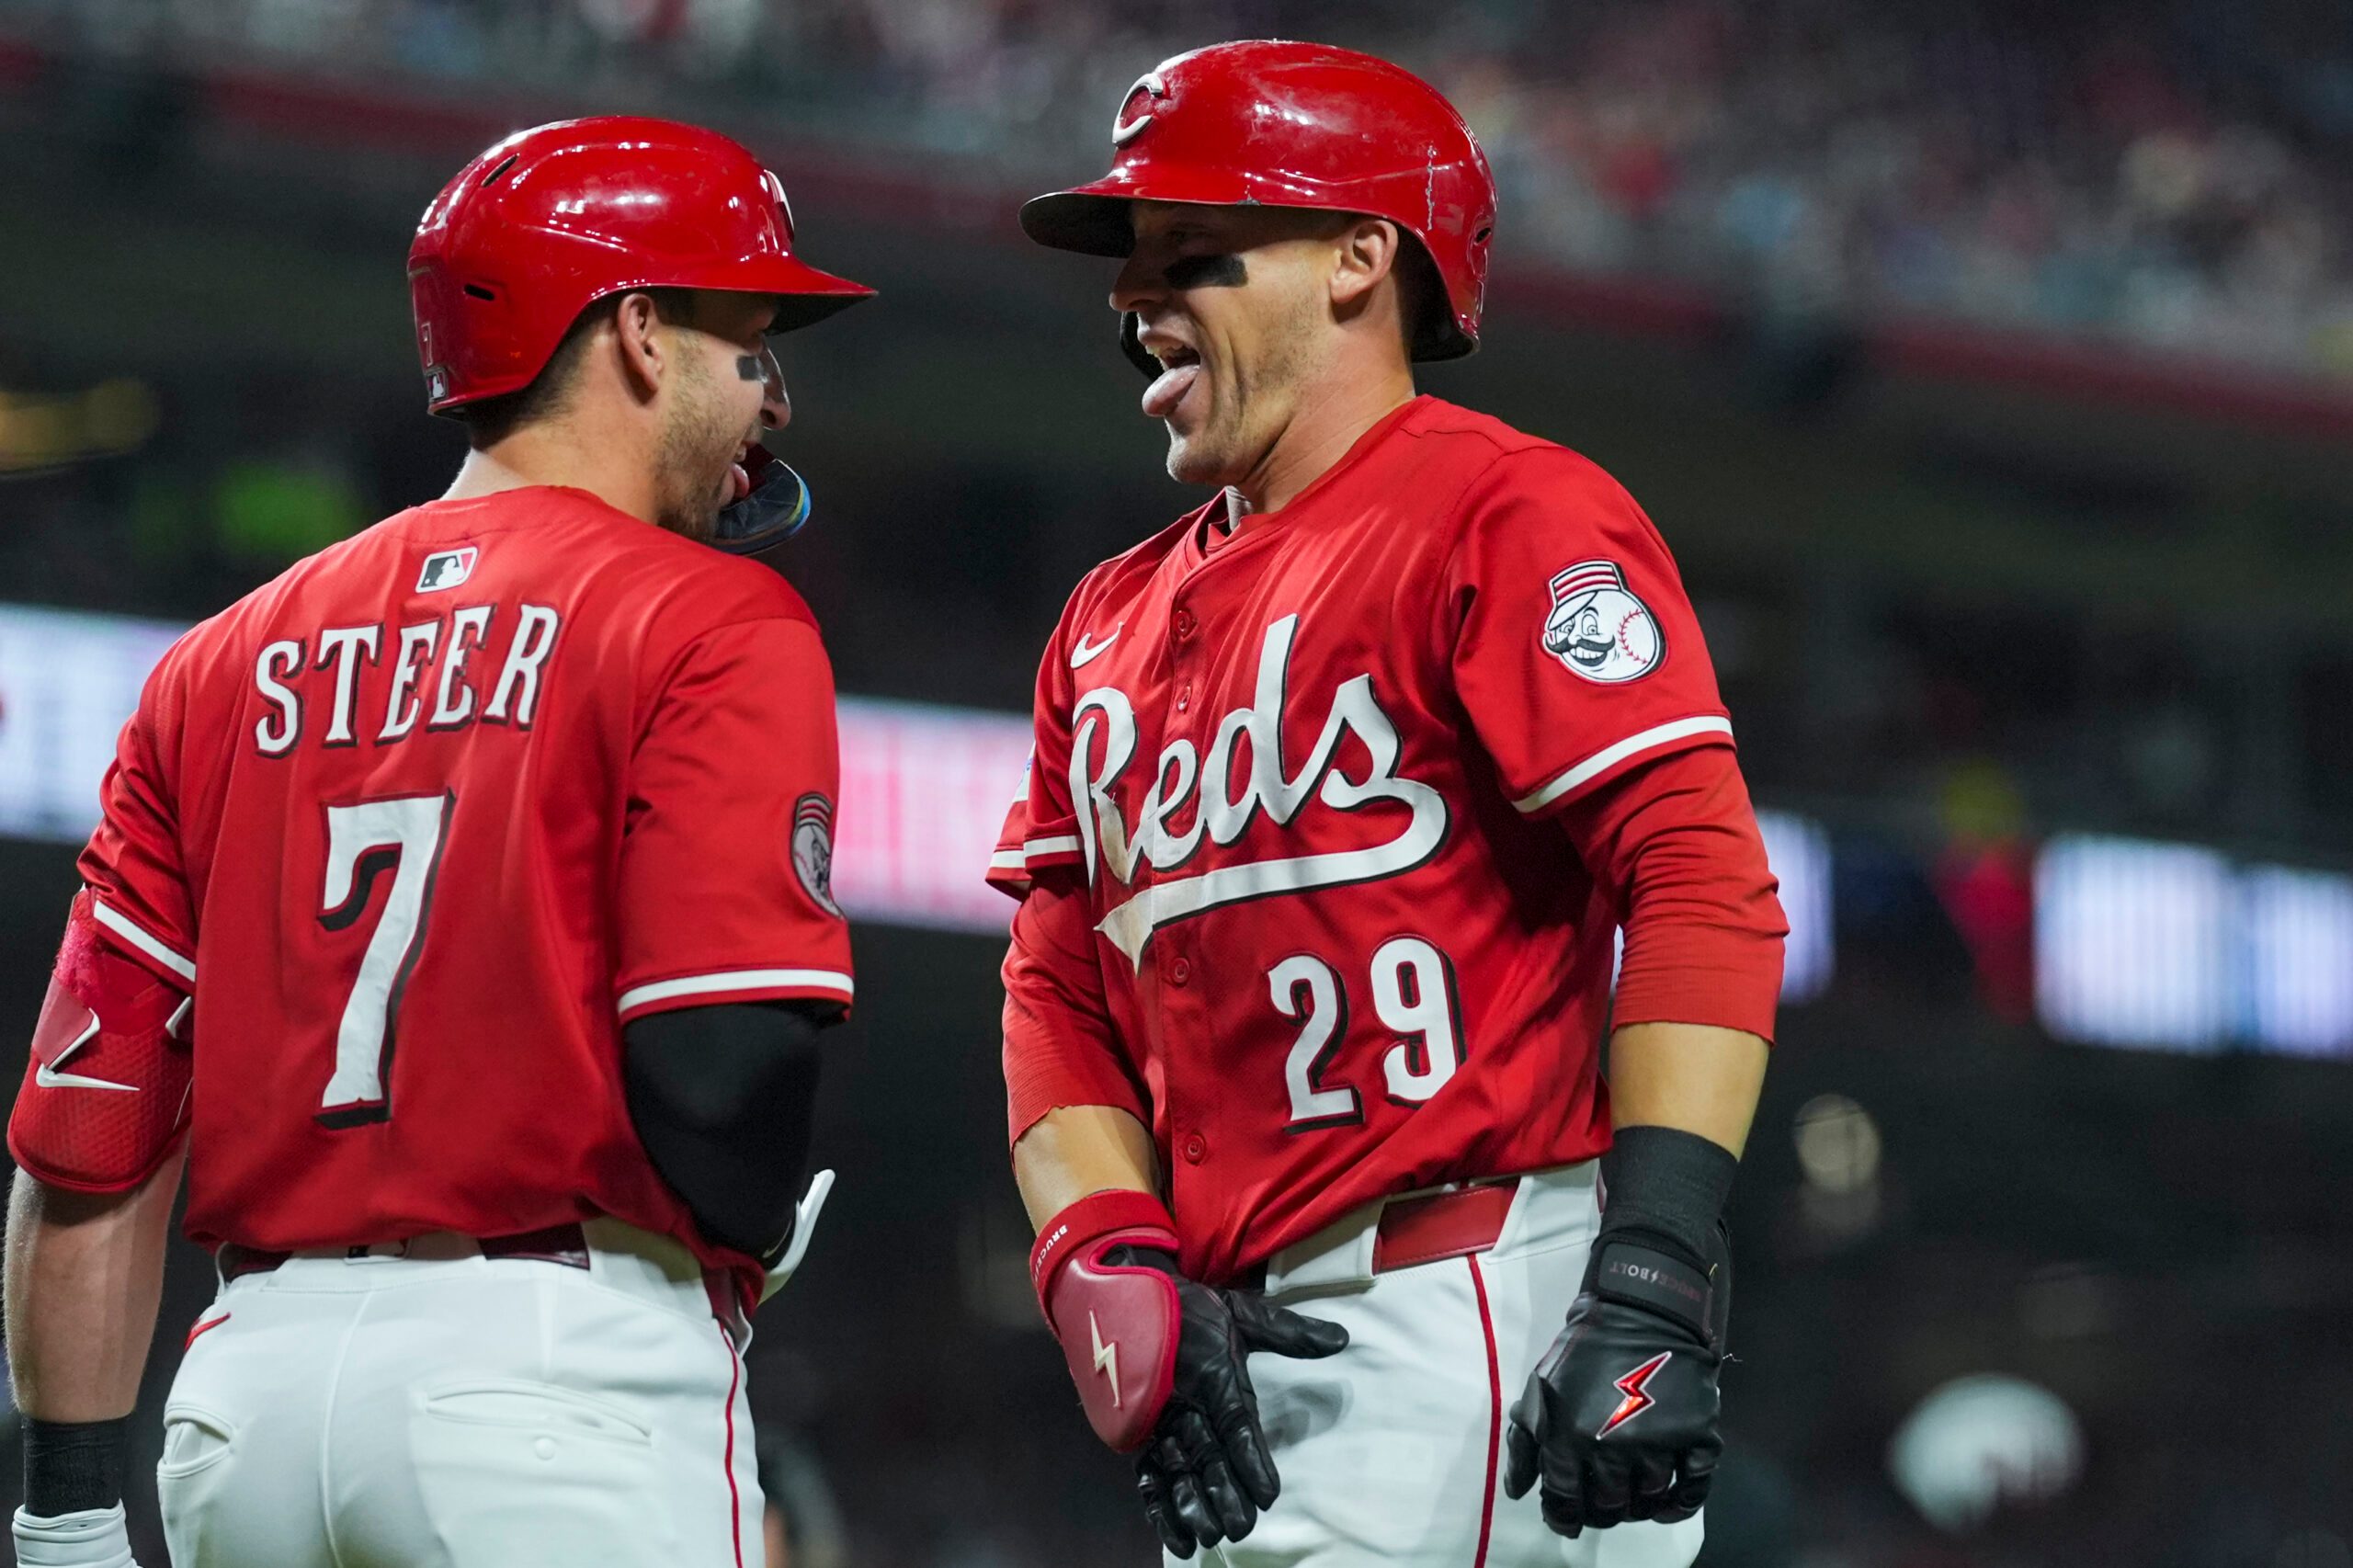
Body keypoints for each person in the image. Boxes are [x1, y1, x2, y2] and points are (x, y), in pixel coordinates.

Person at [5, 116, 869, 1568]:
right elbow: (723, 1070)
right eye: (750, 342)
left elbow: (89, 1135)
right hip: (552, 1388)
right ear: (641, 335)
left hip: (245, 1409)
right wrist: (754, 1217)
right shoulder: (708, 615)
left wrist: (69, 1509)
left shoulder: (216, 665)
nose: (772, 397)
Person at [990, 41, 1788, 1567]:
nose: (1133, 296)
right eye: (1131, 264)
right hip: (1246, 1360)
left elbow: (1695, 874)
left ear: (1363, 259)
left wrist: (1653, 1275)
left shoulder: (1504, 509)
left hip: (1476, 1309)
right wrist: (1109, 1256)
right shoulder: (1102, 617)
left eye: (1194, 252)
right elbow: (1054, 986)